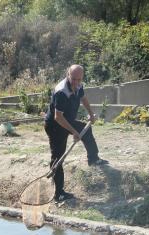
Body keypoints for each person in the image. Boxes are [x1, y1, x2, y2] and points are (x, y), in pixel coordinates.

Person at [44, 64, 108, 202]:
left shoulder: (79, 85)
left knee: (86, 130)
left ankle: (93, 159)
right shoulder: (61, 92)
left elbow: (83, 98)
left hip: (67, 120)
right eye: (74, 79)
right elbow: (58, 117)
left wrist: (91, 113)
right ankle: (59, 193)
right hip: (55, 126)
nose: (76, 83)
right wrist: (73, 132)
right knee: (58, 157)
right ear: (68, 75)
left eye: (79, 79)